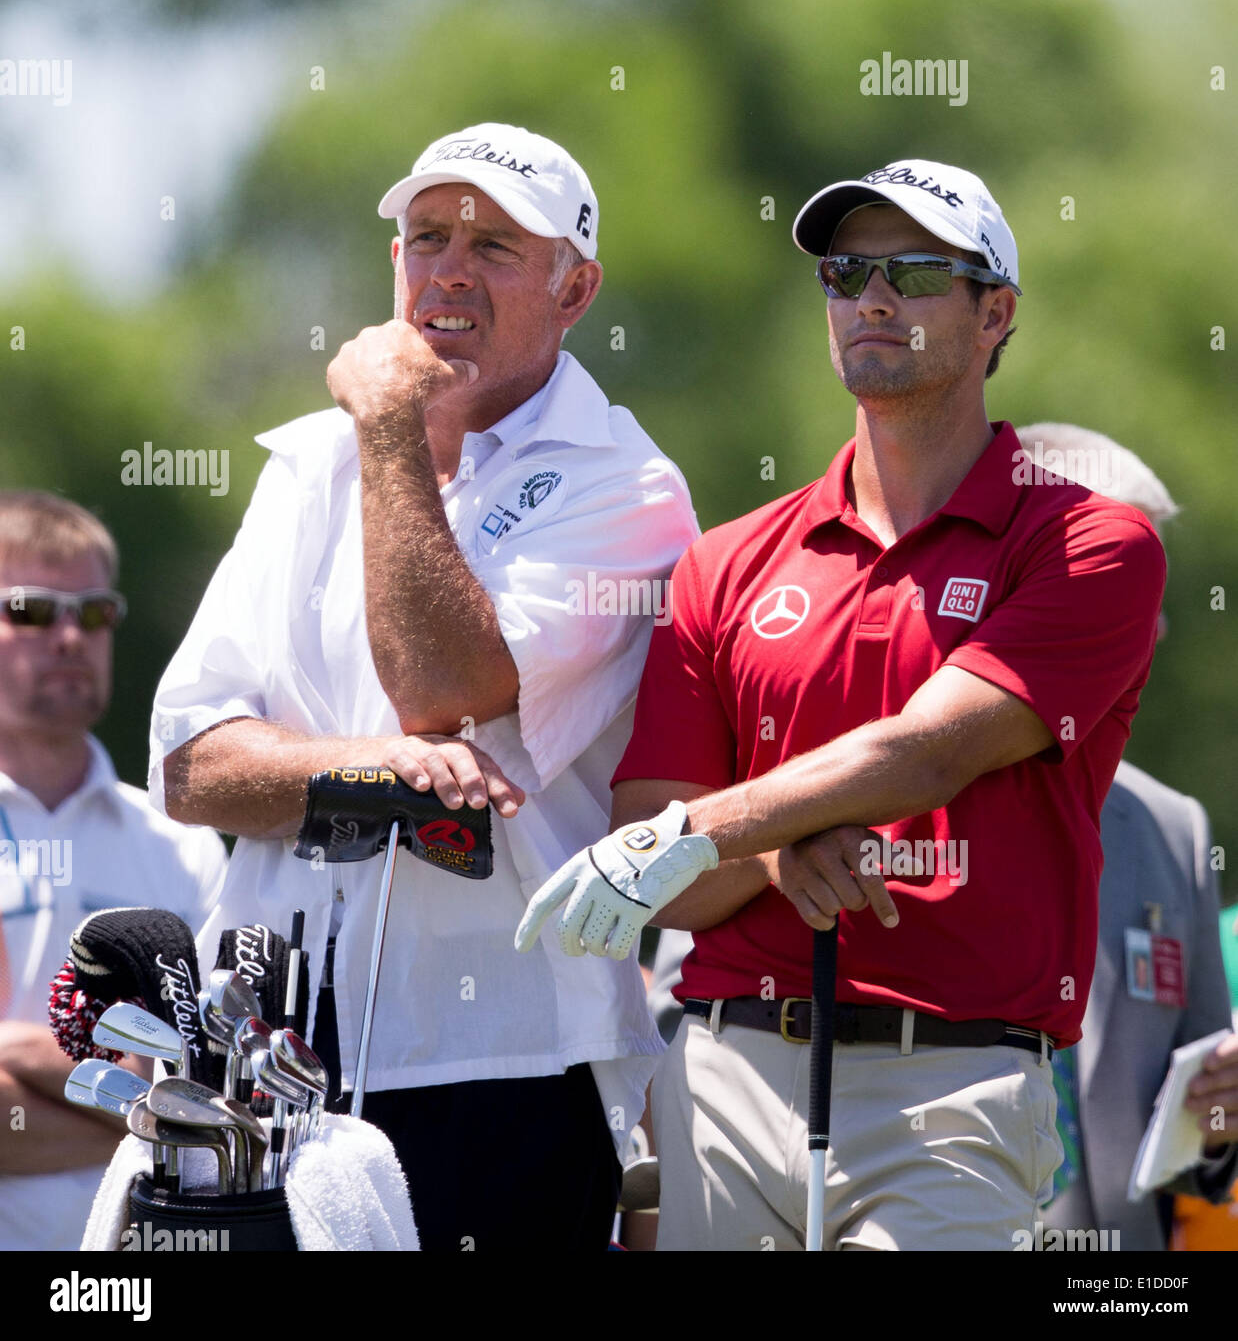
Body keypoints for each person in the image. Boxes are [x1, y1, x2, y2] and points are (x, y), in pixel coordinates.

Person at [517, 159, 1168, 1250]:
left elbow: (929, 752)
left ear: (993, 311)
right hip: (725, 1069)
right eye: (845, 270)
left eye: (914, 273)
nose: (870, 297)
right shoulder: (723, 562)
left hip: (951, 1086)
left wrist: (702, 831)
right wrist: (771, 855)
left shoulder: (1089, 542)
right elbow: (663, 870)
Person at [150, 123, 698, 1251]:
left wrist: (396, 423)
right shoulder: (309, 460)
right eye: (424, 236)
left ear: (574, 289)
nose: (446, 267)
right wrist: (368, 774)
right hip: (267, 1052)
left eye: (495, 244)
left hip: (504, 1063)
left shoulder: (626, 482)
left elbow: (437, 686)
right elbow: (193, 767)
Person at [1009, 424, 1238, 1251]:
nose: (1162, 625)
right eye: (1123, 580)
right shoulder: (875, 779)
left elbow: (1205, 1133)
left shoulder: (1175, 828)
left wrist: (1221, 1113)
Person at [0, 491, 227, 1251]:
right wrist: (143, 1126)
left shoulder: (183, 842)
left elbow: (215, 1097)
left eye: (94, 613)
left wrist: (24, 1052)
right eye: (31, 610)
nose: (69, 635)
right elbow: (188, 1127)